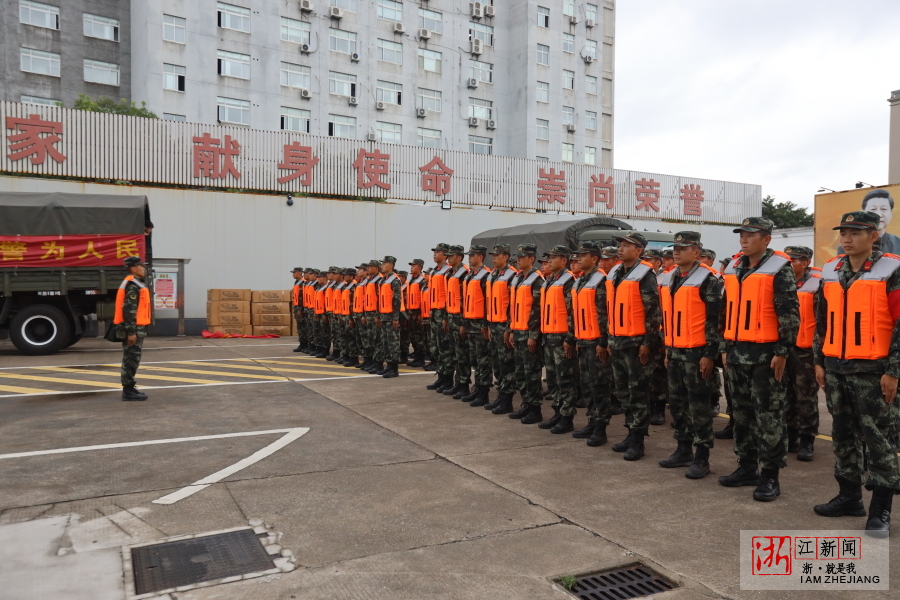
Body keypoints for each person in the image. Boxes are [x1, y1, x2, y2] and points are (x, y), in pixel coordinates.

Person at [813, 210, 900, 535]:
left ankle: (880, 510)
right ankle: (849, 497)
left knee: (879, 440)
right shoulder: (832, 270)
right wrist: (819, 360)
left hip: (874, 371)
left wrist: (894, 370)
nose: (847, 239)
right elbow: (822, 319)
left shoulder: (891, 270)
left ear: (873, 236)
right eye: (844, 233)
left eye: (856, 233)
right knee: (843, 435)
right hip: (836, 367)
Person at [718, 217, 799, 502]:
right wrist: (724, 346)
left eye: (751, 235)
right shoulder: (734, 267)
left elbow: (789, 314)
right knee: (741, 414)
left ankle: (770, 476)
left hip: (766, 354)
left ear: (766, 239)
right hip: (736, 351)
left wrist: (782, 351)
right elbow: (725, 310)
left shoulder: (779, 268)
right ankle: (746, 467)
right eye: (742, 234)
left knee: (769, 416)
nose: (744, 239)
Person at [658, 232, 722, 478]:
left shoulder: (707, 279)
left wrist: (709, 354)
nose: (677, 252)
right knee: (677, 404)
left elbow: (715, 320)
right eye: (675, 248)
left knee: (699, 407)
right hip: (675, 351)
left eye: (683, 248)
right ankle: (683, 450)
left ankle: (702, 457)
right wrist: (668, 350)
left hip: (697, 353)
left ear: (696, 252)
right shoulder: (672, 277)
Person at [607, 232, 662, 460]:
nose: (620, 248)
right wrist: (610, 339)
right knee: (623, 391)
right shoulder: (616, 272)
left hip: (636, 343)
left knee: (638, 392)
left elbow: (653, 313)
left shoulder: (644, 274)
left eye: (626, 245)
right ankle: (630, 433)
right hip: (617, 341)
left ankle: (638, 440)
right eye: (620, 244)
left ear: (639, 250)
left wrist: (647, 343)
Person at [570, 241, 612, 446]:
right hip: (583, 340)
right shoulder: (580, 280)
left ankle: (600, 428)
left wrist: (603, 342)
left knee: (599, 386)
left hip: (596, 342)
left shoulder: (601, 280)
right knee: (587, 385)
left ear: (594, 259)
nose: (578, 259)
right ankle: (591, 421)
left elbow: (605, 314)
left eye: (582, 255)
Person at [784, 246, 821, 462]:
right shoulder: (782, 282)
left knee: (805, 397)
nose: (788, 264)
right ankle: (791, 436)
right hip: (785, 348)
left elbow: (822, 321)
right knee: (786, 395)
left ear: (805, 262)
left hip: (806, 351)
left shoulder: (816, 285)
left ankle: (807, 440)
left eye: (793, 260)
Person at [539, 245, 579, 434]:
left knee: (565, 381)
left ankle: (566, 417)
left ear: (564, 260)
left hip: (562, 339)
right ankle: (557, 412)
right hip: (549, 337)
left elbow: (572, 313)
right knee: (553, 380)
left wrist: (569, 339)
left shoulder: (568, 281)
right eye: (549, 257)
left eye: (553, 257)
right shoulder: (549, 281)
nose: (549, 261)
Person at [508, 244, 546, 423]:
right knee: (521, 372)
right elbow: (514, 307)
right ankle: (526, 404)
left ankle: (535, 408)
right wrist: (511, 329)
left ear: (531, 259)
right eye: (517, 257)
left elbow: (537, 311)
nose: (518, 260)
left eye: (522, 257)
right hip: (518, 332)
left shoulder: (536, 280)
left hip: (529, 335)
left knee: (532, 373)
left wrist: (533, 335)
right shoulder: (518, 278)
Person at [484, 244, 519, 413]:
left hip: (504, 325)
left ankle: (507, 400)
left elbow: (513, 305)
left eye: (497, 255)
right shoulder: (494, 275)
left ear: (506, 257)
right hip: (494, 325)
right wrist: (488, 324)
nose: (493, 258)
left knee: (507, 365)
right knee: (497, 364)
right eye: (493, 255)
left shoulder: (512, 275)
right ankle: (501, 395)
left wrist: (509, 328)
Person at [115, 256, 151, 401]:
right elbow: (129, 311)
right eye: (141, 266)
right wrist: (131, 333)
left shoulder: (137, 284)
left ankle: (130, 387)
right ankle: (128, 391)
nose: (144, 269)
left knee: (133, 358)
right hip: (134, 329)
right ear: (134, 269)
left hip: (137, 328)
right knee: (131, 359)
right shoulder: (132, 286)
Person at [461, 245, 493, 406]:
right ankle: (477, 388)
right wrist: (464, 323)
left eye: (472, 255)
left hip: (480, 324)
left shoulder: (485, 275)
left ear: (480, 257)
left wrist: (485, 324)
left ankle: (483, 392)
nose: (469, 258)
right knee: (475, 360)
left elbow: (488, 302)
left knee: (483, 360)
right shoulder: (470, 275)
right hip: (470, 323)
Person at [442, 246, 472, 397]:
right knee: (454, 353)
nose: (448, 258)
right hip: (451, 317)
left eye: (451, 256)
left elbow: (464, 301)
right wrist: (446, 317)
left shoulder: (464, 273)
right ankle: (457, 383)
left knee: (462, 355)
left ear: (459, 258)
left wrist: (463, 323)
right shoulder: (450, 273)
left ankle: (463, 385)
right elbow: (449, 298)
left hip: (459, 319)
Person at [427, 244, 455, 391]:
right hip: (434, 312)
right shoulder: (434, 271)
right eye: (435, 252)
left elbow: (448, 296)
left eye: (438, 252)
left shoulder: (448, 271)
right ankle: (441, 376)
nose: (435, 254)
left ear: (445, 255)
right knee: (436, 347)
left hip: (442, 313)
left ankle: (448, 379)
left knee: (445, 348)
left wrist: (445, 316)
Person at [376, 256, 402, 378]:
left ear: (391, 266)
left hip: (391, 317)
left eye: (384, 264)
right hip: (383, 316)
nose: (382, 266)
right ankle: (388, 366)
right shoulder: (383, 280)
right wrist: (378, 315)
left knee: (393, 344)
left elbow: (397, 300)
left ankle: (394, 369)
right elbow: (379, 300)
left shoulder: (394, 280)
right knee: (385, 343)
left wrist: (395, 318)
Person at [854, 189, 900, 254]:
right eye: (873, 209)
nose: (878, 214)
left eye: (883, 209)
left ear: (891, 214)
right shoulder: (849, 245)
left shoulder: (898, 244)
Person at [362, 260, 384, 372]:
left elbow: (379, 299)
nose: (368, 268)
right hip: (368, 313)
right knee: (370, 339)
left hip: (375, 314)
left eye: (370, 267)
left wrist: (377, 315)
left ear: (376, 268)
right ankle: (371, 362)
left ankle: (378, 364)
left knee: (377, 340)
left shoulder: (379, 280)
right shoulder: (370, 280)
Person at [406, 259, 427, 367]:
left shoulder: (422, 280)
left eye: (414, 266)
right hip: (411, 312)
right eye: (411, 265)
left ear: (419, 267)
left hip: (417, 312)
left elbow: (423, 298)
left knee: (419, 337)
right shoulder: (412, 280)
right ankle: (416, 357)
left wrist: (420, 313)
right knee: (413, 336)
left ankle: (421, 358)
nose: (411, 267)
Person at [291, 267, 305, 352]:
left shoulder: (302, 282)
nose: (293, 275)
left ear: (299, 273)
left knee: (303, 327)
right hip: (297, 307)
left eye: (294, 273)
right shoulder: (297, 282)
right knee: (300, 328)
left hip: (300, 308)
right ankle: (302, 344)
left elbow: (302, 297)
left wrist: (300, 309)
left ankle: (304, 344)